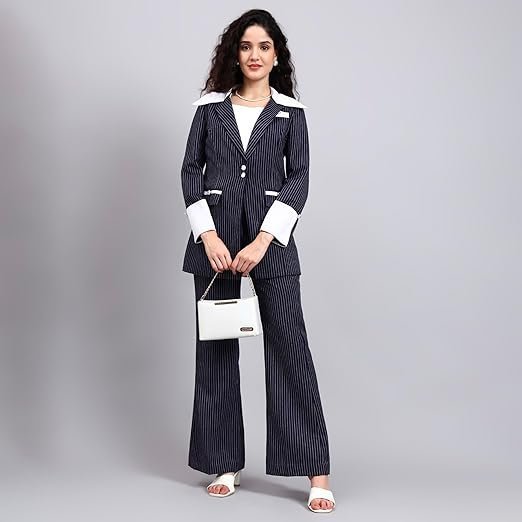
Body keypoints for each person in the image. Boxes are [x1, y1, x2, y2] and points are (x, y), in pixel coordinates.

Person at [180, 9, 336, 513]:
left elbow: (299, 179)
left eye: (264, 46)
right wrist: (208, 234)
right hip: (215, 244)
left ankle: (316, 471)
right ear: (235, 53)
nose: (254, 55)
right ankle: (223, 462)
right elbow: (190, 171)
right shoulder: (209, 109)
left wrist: (264, 239)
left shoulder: (291, 112)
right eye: (246, 46)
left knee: (290, 348)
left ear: (276, 56)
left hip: (272, 245)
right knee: (217, 351)